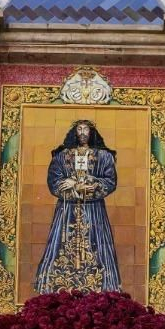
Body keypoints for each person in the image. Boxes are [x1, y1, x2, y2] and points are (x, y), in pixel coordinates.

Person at [35, 119, 122, 293]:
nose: (82, 132)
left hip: (94, 211)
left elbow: (110, 181)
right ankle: (58, 285)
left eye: (86, 129)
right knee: (62, 243)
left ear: (91, 133)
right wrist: (69, 185)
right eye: (79, 129)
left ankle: (102, 287)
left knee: (97, 245)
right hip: (67, 210)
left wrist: (93, 182)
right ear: (74, 132)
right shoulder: (62, 156)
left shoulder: (104, 156)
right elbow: (54, 181)